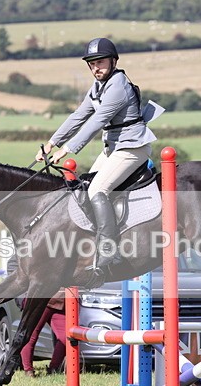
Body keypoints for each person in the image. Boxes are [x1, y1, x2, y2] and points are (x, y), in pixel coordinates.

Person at [36, 37, 162, 272]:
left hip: (132, 148)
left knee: (97, 190)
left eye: (100, 62)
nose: (96, 68)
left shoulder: (119, 86)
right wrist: (52, 143)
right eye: (92, 64)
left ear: (114, 61)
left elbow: (97, 121)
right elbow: (78, 116)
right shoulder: (97, 87)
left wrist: (67, 149)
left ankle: (109, 251)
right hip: (113, 148)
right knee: (84, 187)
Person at [20, 290, 67, 377]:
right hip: (41, 299)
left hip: (61, 303)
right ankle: (28, 370)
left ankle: (54, 369)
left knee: (66, 336)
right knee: (31, 335)